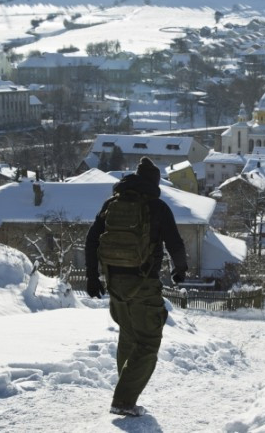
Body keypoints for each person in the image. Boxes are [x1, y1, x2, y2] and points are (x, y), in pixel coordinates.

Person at [85, 157, 188, 417]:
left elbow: (91, 240)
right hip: (143, 283)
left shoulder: (111, 204)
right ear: (153, 183)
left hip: (114, 282)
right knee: (149, 341)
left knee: (129, 334)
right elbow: (174, 241)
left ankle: (125, 390)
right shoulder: (157, 207)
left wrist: (92, 277)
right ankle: (124, 400)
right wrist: (180, 268)